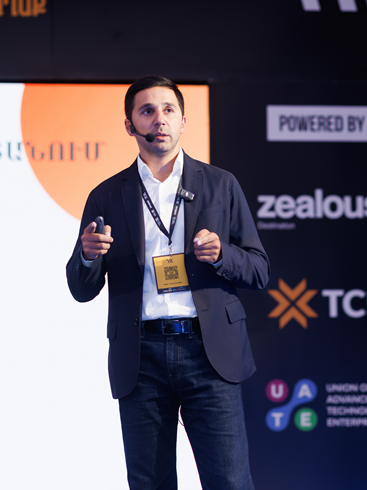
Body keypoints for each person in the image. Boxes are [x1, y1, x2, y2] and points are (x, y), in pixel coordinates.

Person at [66, 75, 270, 489]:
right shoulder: (106, 195)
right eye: (147, 111)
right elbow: (81, 289)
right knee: (150, 483)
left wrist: (222, 254)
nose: (159, 119)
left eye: (169, 110)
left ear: (183, 122)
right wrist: (88, 255)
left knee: (230, 481)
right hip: (141, 357)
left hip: (209, 353)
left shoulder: (220, 184)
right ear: (130, 126)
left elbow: (259, 269)